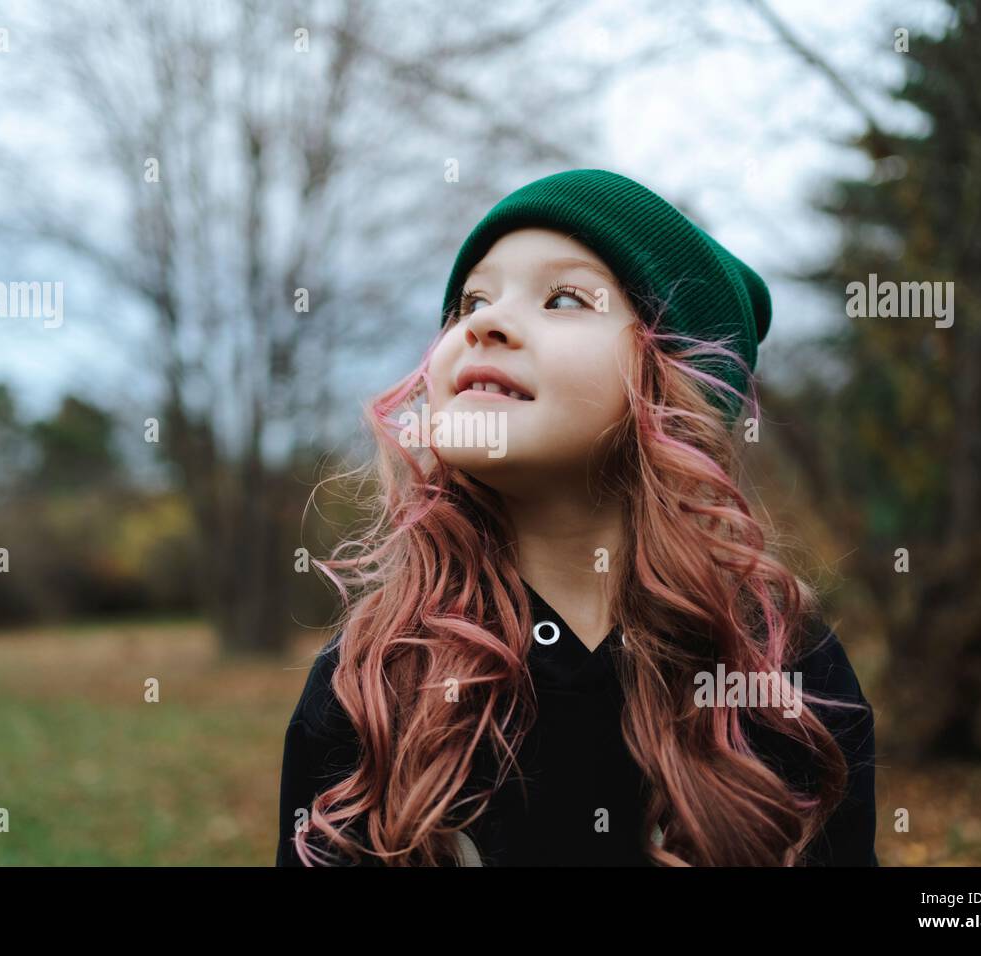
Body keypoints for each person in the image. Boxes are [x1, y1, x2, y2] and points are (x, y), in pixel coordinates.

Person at [277, 168, 878, 867]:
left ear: (669, 388)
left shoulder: (783, 668)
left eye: (563, 298)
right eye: (470, 301)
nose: (484, 324)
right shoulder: (374, 677)